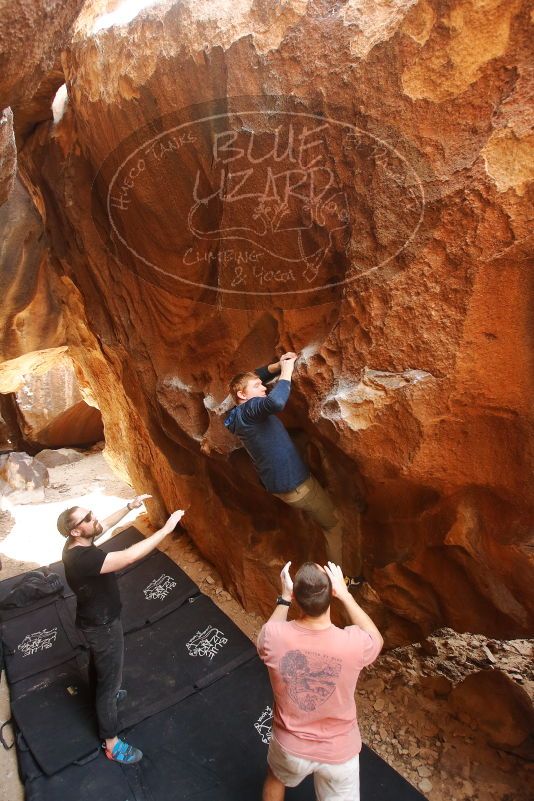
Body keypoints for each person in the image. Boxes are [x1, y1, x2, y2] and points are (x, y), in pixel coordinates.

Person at [57, 496, 184, 764]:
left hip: (93, 619)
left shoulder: (77, 544)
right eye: (88, 517)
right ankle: (112, 743)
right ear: (76, 530)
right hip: (102, 626)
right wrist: (166, 530)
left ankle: (101, 695)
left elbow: (101, 525)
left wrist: (129, 507)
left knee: (99, 667)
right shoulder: (84, 559)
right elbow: (127, 558)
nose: (94, 518)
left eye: (90, 513)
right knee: (110, 682)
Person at [225, 354, 363, 586]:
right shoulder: (252, 408)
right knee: (333, 525)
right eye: (258, 387)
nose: (264, 387)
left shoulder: (235, 416)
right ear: (242, 395)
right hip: (298, 486)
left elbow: (252, 378)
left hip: (279, 485)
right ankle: (342, 581)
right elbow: (277, 403)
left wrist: (275, 366)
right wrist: (287, 371)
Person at [257, 560, 383, 801]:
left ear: (295, 597)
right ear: (331, 595)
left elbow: (268, 631)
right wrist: (346, 596)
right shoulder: (353, 643)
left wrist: (284, 597)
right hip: (340, 751)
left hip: (290, 747)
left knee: (275, 777)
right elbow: (376, 637)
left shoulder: (274, 637)